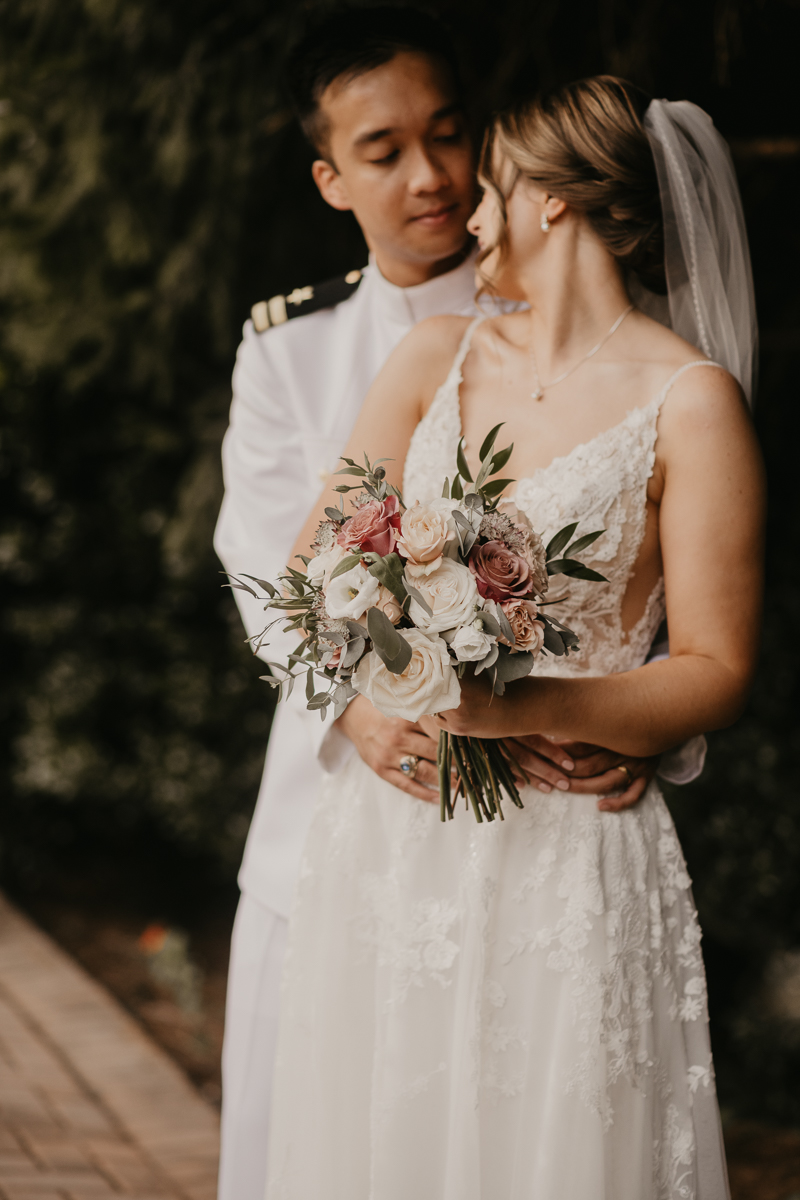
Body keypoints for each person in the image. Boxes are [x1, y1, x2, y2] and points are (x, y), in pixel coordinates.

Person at [265, 76, 763, 1198]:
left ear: (546, 200)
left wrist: (523, 710)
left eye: (487, 187)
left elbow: (717, 669)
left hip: (569, 850)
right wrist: (377, 697)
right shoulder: (433, 356)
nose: (467, 213)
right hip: (399, 838)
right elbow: (312, 577)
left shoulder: (689, 402)